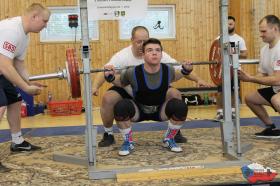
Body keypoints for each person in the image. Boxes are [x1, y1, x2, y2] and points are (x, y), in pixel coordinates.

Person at [93, 26, 210, 147]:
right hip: (128, 87)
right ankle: (108, 134)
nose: (142, 44)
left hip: (155, 88)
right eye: (139, 42)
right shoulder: (122, 56)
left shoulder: (158, 53)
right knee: (108, 98)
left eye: (145, 41)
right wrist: (95, 86)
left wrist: (198, 79)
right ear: (132, 40)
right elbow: (105, 71)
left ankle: (174, 131)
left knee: (175, 94)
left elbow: (181, 69)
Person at [104, 38, 193, 155]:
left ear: (161, 54)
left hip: (161, 110)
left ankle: (169, 139)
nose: (154, 53)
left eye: (157, 50)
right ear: (143, 54)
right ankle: (128, 142)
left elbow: (176, 76)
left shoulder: (168, 70)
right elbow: (120, 82)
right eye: (150, 50)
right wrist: (110, 77)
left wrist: (186, 71)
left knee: (180, 107)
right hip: (138, 111)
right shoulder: (133, 72)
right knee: (121, 107)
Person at [0, 3, 50, 171]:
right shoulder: (11, 29)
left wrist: (29, 82)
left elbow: (18, 64)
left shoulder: (24, 35)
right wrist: (25, 87)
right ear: (34, 17)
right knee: (0, 106)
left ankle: (17, 142)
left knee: (15, 101)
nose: (46, 25)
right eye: (44, 21)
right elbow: (5, 66)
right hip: (1, 68)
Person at [238, 15, 280, 138]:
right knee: (250, 98)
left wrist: (250, 78)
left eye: (263, 31)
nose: (261, 34)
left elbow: (277, 79)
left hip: (277, 87)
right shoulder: (264, 50)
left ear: (275, 29)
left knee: (276, 100)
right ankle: (270, 128)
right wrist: (245, 75)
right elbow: (263, 74)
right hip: (276, 89)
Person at [214, 16, 248, 121]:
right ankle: (220, 112)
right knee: (221, 91)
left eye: (230, 24)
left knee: (234, 91)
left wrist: (232, 50)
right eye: (227, 24)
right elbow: (214, 55)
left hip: (234, 69)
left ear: (234, 24)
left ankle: (233, 112)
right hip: (222, 70)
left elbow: (245, 54)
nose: (228, 26)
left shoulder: (239, 39)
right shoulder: (218, 39)